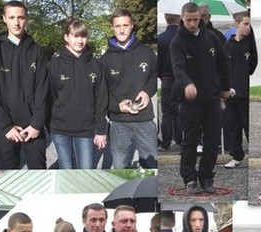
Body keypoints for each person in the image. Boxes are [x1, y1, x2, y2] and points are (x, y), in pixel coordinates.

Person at [170, 2, 230, 194]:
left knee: (212, 141)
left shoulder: (212, 38)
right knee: (190, 141)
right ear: (182, 19)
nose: (193, 24)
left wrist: (225, 88)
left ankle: (206, 177)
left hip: (212, 98)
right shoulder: (177, 42)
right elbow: (177, 68)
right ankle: (189, 179)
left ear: (201, 18)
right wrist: (187, 83)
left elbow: (223, 64)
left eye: (196, 19)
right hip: (189, 101)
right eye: (189, 20)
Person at [0, 1, 48, 169]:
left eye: (20, 17)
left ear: (26, 19)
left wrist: (36, 125)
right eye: (12, 17)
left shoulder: (38, 51)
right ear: (4, 19)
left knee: (39, 173)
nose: (16, 22)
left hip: (33, 128)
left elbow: (43, 91)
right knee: (10, 177)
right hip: (7, 127)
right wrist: (6, 126)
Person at [100, 8, 158, 169]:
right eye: (117, 26)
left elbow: (154, 76)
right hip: (119, 123)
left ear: (132, 26)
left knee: (151, 168)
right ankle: (123, 194)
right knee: (120, 167)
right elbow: (102, 93)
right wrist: (117, 106)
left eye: (125, 25)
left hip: (145, 120)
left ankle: (149, 194)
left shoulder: (146, 53)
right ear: (112, 27)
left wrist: (147, 92)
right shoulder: (105, 60)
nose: (121, 29)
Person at [48, 19, 108, 169]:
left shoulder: (95, 65)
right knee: (66, 171)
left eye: (83, 36)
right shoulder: (55, 65)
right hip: (60, 130)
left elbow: (101, 99)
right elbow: (50, 97)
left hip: (85, 130)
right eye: (75, 36)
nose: (79, 41)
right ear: (66, 37)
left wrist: (101, 130)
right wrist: (49, 124)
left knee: (85, 172)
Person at [223, 12, 258, 169]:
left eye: (249, 24)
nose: (248, 27)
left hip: (244, 93)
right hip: (230, 93)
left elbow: (253, 63)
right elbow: (221, 68)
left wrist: (244, 76)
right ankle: (236, 156)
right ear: (236, 24)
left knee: (247, 124)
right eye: (245, 24)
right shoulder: (228, 45)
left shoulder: (250, 43)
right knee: (233, 125)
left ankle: (254, 155)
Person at [157, 13, 180, 151]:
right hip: (180, 79)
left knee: (166, 113)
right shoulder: (181, 38)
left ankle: (166, 143)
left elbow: (158, 63)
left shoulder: (160, 38)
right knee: (180, 111)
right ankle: (179, 140)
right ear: (177, 20)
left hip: (166, 78)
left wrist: (161, 75)